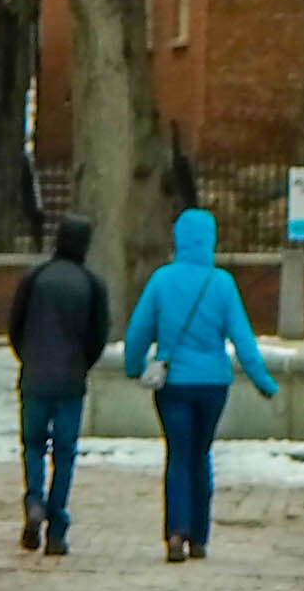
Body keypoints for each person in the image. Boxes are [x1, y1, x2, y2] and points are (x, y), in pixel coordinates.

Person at [116, 201, 277, 563]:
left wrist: (132, 367)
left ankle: (176, 532)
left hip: (173, 384)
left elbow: (139, 330)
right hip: (213, 386)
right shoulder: (222, 284)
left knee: (177, 455)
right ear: (210, 241)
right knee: (201, 455)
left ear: (178, 239)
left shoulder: (161, 280)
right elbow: (244, 340)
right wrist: (262, 381)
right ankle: (200, 538)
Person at [5, 212, 109, 560]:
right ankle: (56, 527)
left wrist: (29, 358)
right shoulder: (91, 284)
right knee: (64, 454)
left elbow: (15, 326)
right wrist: (81, 365)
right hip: (70, 381)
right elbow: (98, 335)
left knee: (33, 445)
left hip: (34, 377)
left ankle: (34, 499)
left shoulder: (35, 278)